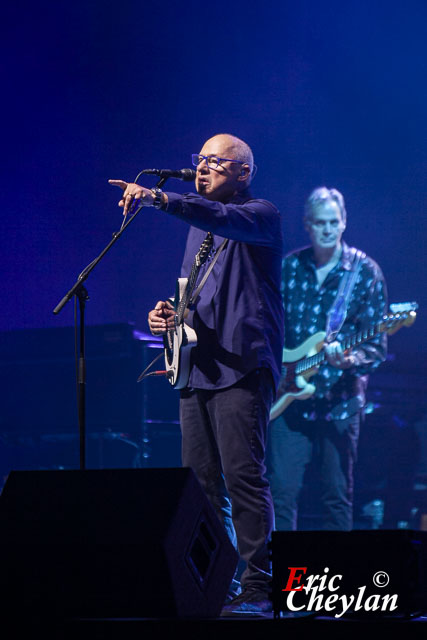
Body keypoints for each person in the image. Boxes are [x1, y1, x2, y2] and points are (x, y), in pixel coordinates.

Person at [109, 134, 284, 614]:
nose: (202, 169)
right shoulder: (197, 231)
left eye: (214, 162)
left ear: (242, 172)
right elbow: (198, 292)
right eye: (199, 161)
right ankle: (220, 583)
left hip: (242, 366)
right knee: (202, 481)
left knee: (243, 476)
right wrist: (168, 316)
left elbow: (218, 216)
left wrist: (159, 196)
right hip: (199, 367)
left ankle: (261, 588)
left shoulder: (260, 215)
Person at [267, 187, 387, 531]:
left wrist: (349, 361)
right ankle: (280, 578)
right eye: (320, 223)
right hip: (288, 400)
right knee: (282, 494)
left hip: (341, 402)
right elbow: (268, 330)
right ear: (307, 224)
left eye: (334, 222)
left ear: (344, 222)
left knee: (337, 496)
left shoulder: (364, 272)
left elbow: (376, 347)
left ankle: (336, 578)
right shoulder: (289, 268)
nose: (328, 230)